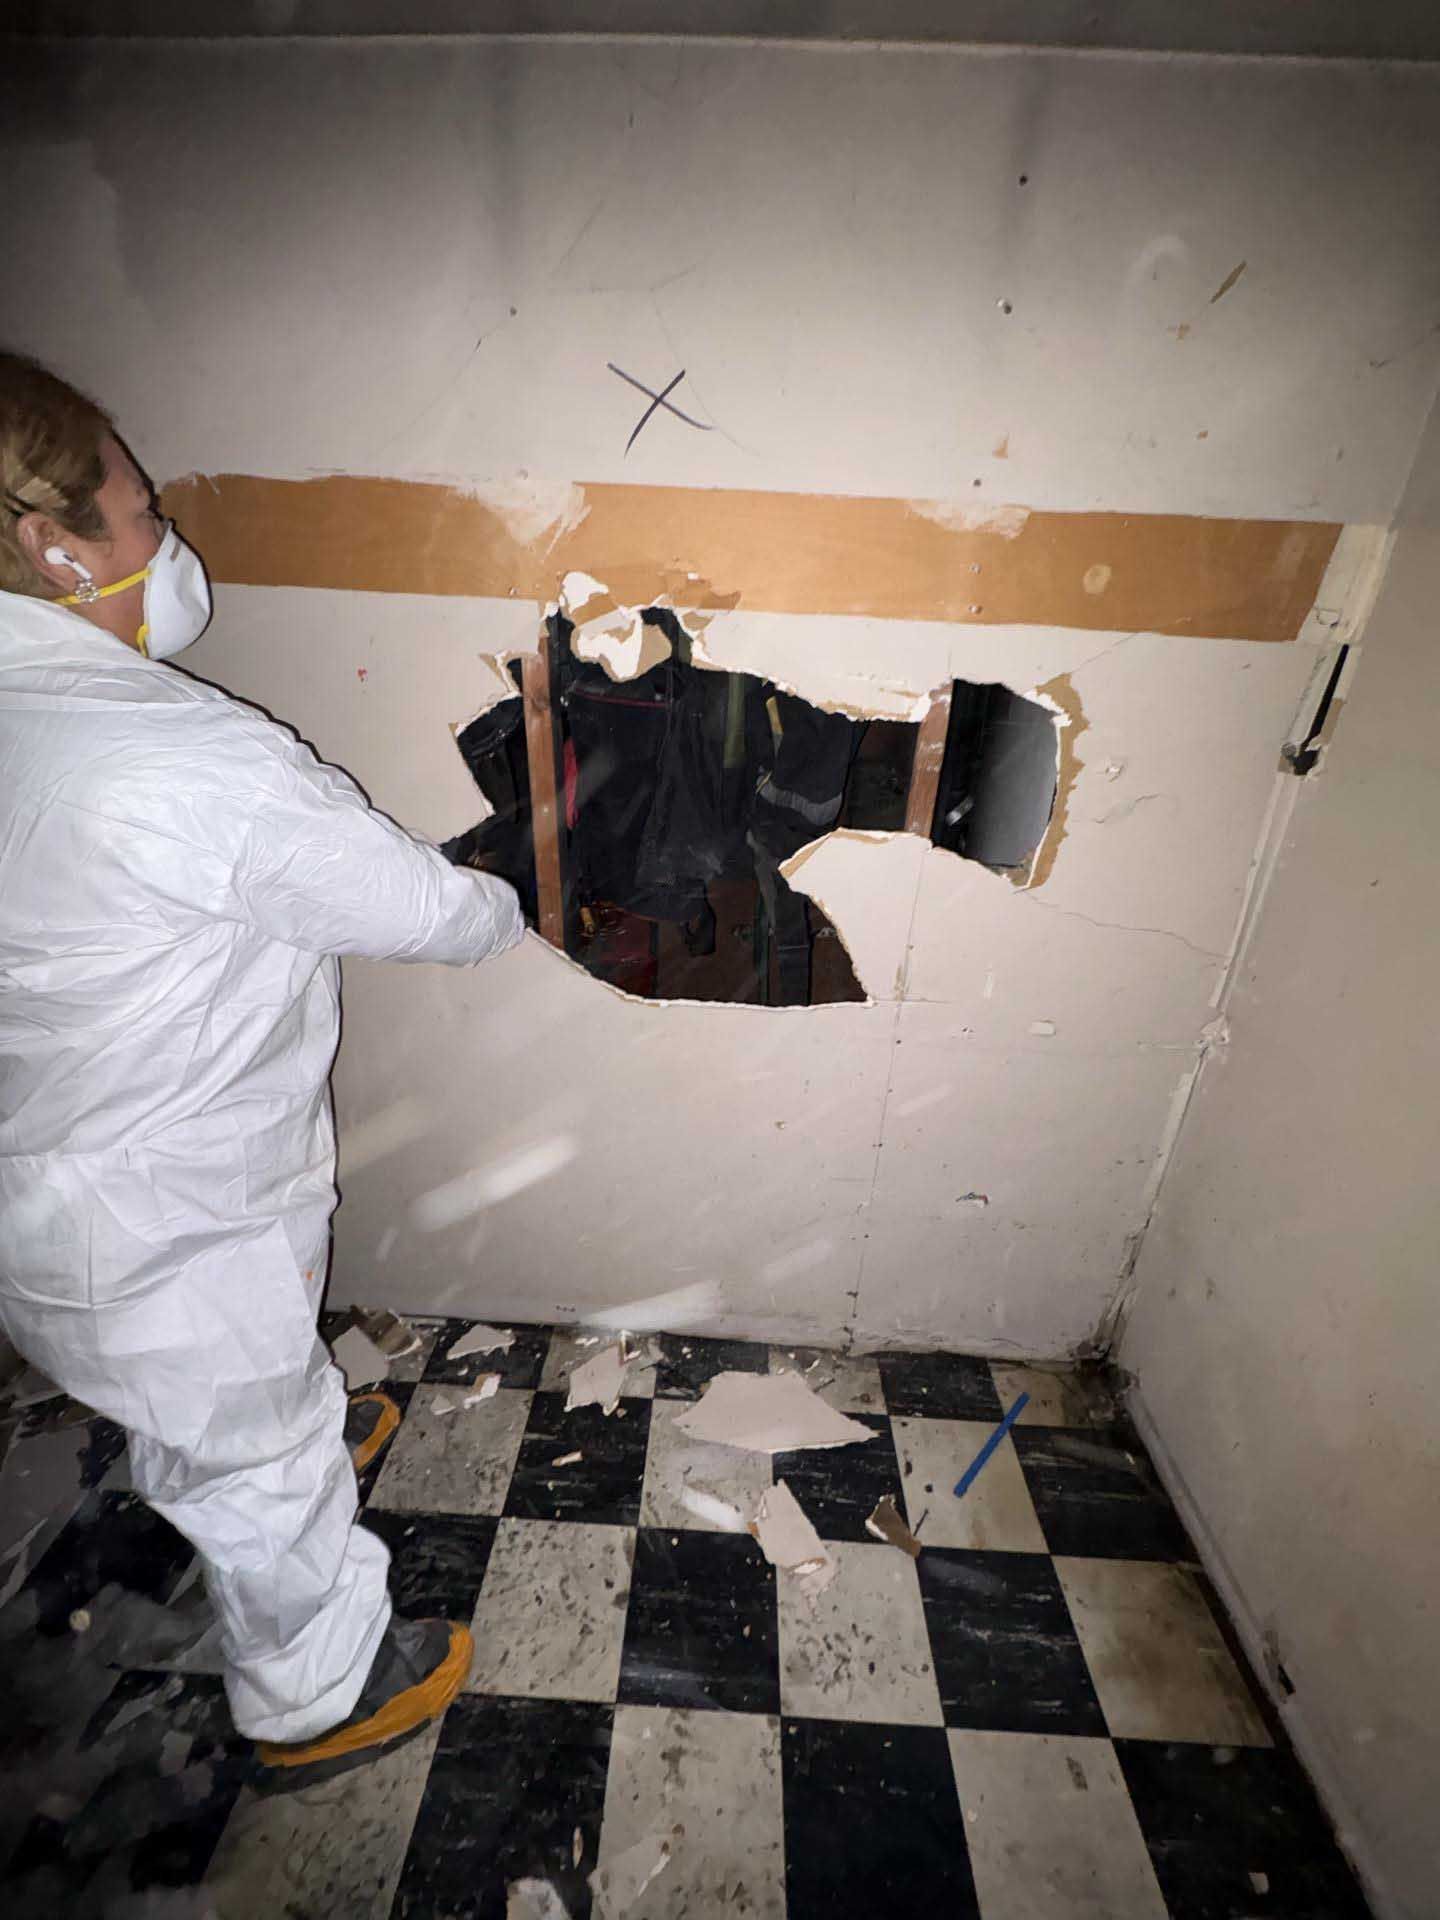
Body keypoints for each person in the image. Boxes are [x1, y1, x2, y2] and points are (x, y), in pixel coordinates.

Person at [0, 352, 525, 1769]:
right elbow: (419, 911)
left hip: (55, 1206)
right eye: (142, 507)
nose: (167, 538)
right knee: (259, 1449)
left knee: (198, 1389)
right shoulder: (185, 762)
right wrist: (509, 899)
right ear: (58, 551)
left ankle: (233, 1436)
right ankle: (313, 1692)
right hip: (169, 1209)